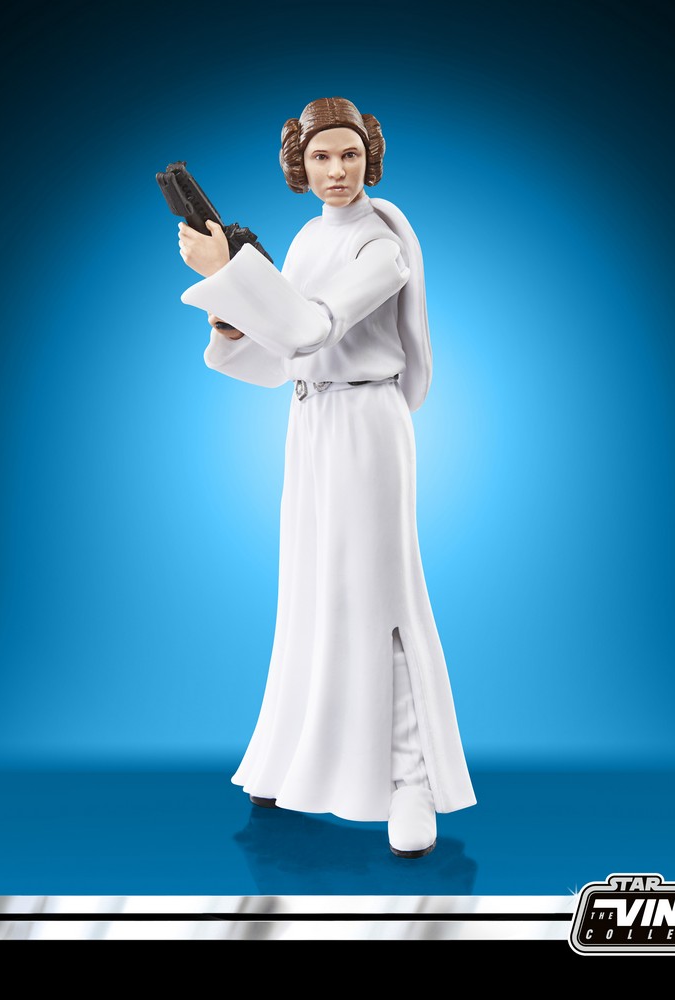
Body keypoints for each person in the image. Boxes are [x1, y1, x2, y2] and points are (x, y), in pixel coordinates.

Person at [178, 97, 475, 857]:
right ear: (299, 165)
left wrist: (229, 273)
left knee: (379, 596)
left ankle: (410, 782)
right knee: (313, 592)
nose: (336, 170)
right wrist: (231, 314)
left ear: (369, 157)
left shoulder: (383, 245)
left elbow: (313, 326)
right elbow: (281, 353)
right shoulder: (309, 238)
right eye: (320, 157)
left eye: (348, 154)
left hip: (368, 424)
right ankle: (292, 755)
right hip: (311, 423)